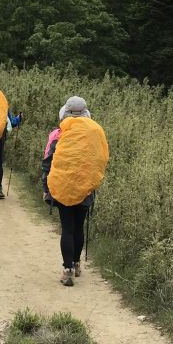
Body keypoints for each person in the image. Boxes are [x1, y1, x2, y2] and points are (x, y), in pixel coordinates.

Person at [42, 96, 109, 286]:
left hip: (63, 187)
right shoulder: (95, 133)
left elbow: (48, 161)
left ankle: (68, 270)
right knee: (79, 227)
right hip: (85, 188)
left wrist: (46, 187)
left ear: (66, 113)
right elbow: (100, 159)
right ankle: (77, 263)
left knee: (67, 228)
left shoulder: (59, 133)